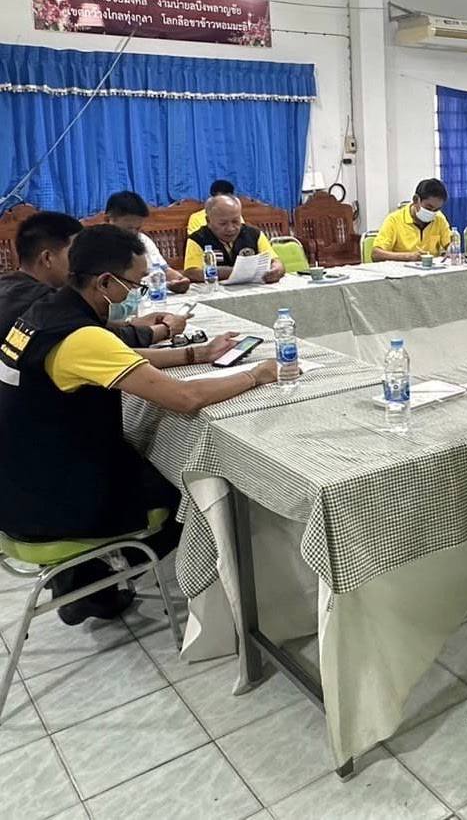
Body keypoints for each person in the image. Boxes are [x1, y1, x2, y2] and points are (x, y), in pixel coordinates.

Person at [0, 225, 277, 624]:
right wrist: (257, 374)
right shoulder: (79, 336)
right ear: (105, 282)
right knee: (197, 487)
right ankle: (91, 578)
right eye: (135, 284)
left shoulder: (44, 315)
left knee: (154, 455)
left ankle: (89, 579)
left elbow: (118, 360)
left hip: (19, 487)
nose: (137, 294)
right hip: (54, 505)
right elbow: (185, 399)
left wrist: (198, 353)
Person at [0, 211, 185, 347]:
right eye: (75, 251)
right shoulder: (41, 303)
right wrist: (164, 330)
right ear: (48, 258)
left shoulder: (12, 285)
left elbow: (93, 325)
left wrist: (134, 324)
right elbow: (102, 342)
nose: (84, 257)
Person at [182, 195, 284, 284]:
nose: (231, 228)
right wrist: (236, 272)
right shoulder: (198, 239)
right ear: (208, 221)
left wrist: (277, 270)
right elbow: (191, 272)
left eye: (235, 221)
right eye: (223, 223)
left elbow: (276, 261)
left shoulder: (254, 234)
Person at [105, 191, 191, 292]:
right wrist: (166, 286)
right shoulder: (99, 245)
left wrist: (180, 280)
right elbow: (120, 285)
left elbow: (164, 270)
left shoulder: (143, 240)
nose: (133, 234)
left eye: (138, 228)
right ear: (108, 220)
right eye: (128, 229)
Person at [371, 179, 452, 262]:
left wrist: (451, 249)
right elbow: (376, 254)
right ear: (416, 200)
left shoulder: (439, 218)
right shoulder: (394, 220)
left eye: (436, 209)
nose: (432, 213)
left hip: (431, 268)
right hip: (401, 268)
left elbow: (450, 244)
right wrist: (408, 256)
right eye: (428, 208)